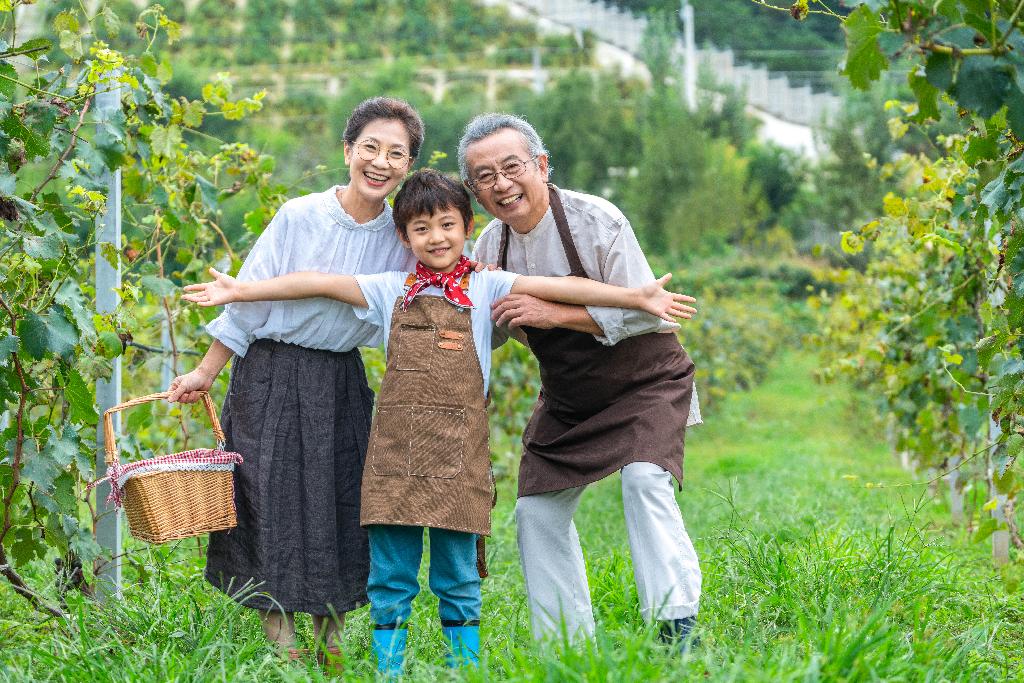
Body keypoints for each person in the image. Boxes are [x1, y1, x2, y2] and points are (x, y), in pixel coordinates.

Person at [182, 168, 697, 674]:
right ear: (403, 237)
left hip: (459, 458)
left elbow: (565, 287)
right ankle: (390, 671)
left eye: (448, 225)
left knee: (456, 574)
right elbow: (317, 282)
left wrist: (636, 296)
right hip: (393, 461)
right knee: (391, 574)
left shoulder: (486, 285)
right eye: (421, 228)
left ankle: (463, 669)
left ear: (467, 228)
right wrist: (240, 292)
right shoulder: (389, 289)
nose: (436, 237)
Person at [166, 97, 423, 667]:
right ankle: (283, 653)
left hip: (340, 380)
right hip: (270, 374)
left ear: (408, 165)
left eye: (395, 153)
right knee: (267, 503)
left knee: (339, 504)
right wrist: (206, 372)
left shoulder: (405, 237)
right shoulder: (300, 215)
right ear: (348, 150)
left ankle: (331, 643)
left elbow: (415, 311)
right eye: (370, 148)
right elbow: (245, 302)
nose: (380, 162)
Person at [458, 113, 703, 651]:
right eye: (484, 176)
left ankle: (675, 629)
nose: (501, 184)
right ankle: (565, 647)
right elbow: (490, 334)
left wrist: (554, 313)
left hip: (644, 379)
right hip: (570, 398)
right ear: (475, 193)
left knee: (645, 480)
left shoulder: (597, 220)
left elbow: (647, 311)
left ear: (541, 166)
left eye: (512, 167)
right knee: (536, 510)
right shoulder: (487, 252)